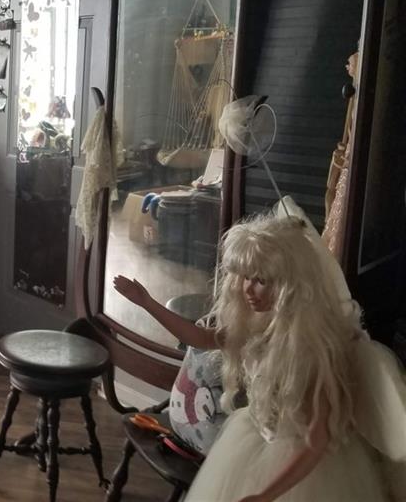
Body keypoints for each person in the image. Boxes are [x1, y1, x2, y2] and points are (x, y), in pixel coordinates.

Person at [114, 208, 406, 502]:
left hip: (307, 469)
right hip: (255, 439)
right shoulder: (256, 327)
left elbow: (318, 439)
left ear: (291, 287)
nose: (248, 290)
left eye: (261, 280)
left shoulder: (313, 351)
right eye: (245, 277)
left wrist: (267, 494)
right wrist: (146, 302)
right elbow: (200, 338)